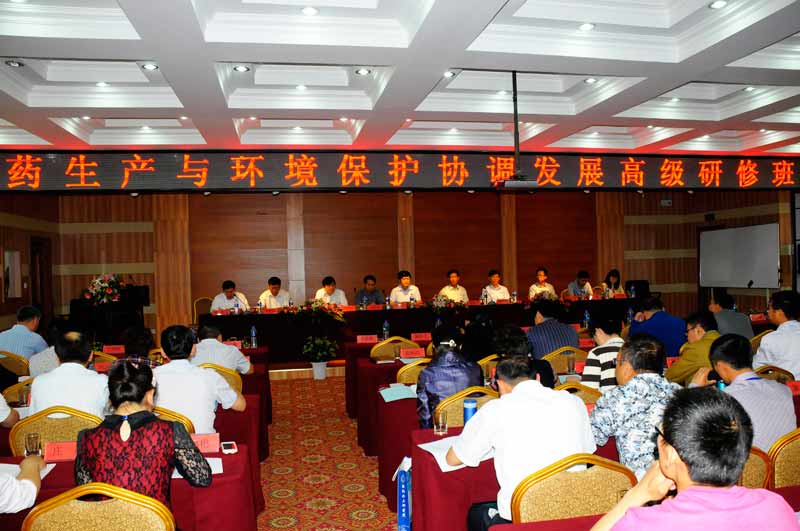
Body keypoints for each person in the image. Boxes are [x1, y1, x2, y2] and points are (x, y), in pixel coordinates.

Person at [591, 387, 798, 531]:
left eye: (661, 435)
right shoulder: (775, 507)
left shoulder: (644, 523)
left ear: (672, 455)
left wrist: (637, 494)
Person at [446, 356, 596, 531]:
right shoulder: (574, 402)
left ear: (500, 385)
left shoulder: (495, 410)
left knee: (475, 513)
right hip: (575, 511)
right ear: (538, 378)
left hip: (524, 516)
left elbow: (453, 459)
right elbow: (588, 452)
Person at [75, 361, 211, 507]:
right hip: (155, 519)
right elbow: (202, 478)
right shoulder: (169, 430)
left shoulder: (87, 438)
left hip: (107, 519)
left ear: (112, 397)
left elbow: (85, 491)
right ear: (150, 395)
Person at [590, 335, 680, 478]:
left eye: (616, 362)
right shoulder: (680, 393)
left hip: (640, 484)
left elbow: (593, 439)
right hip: (681, 480)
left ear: (626, 366)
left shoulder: (614, 398)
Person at [690, 334, 796, 451]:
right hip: (788, 460)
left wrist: (693, 388)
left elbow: (689, 429)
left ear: (720, 365)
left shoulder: (722, 400)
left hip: (748, 462)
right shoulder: (784, 390)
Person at [153, 325, 246, 434]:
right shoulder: (210, 376)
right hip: (202, 442)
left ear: (162, 352)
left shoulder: (151, 376)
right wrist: (230, 383)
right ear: (193, 349)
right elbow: (241, 406)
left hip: (162, 441)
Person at [30, 330, 109, 419]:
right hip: (91, 428)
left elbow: (32, 417)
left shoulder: (38, 382)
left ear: (57, 357)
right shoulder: (102, 382)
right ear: (91, 356)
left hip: (47, 428)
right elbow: (111, 412)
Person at [416, 325, 482, 428]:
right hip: (472, 428)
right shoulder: (476, 368)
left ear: (433, 347)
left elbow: (425, 416)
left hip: (441, 429)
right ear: (460, 346)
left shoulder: (427, 374)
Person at [753, 290, 800, 379]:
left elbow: (757, 369)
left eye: (769, 308)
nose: (768, 312)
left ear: (779, 312)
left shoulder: (770, 339)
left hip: (786, 386)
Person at [492, 324, 556, 389]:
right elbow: (553, 382)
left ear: (502, 353)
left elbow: (496, 387)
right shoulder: (544, 364)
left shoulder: (503, 370)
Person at [665, 311, 720, 386]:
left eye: (687, 331)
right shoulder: (725, 340)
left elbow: (670, 376)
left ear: (698, 330)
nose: (686, 335)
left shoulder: (695, 348)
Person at [581, 315, 624, 392]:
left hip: (607, 398)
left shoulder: (596, 353)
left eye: (593, 337)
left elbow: (589, 391)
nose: (595, 341)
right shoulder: (634, 349)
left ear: (598, 331)